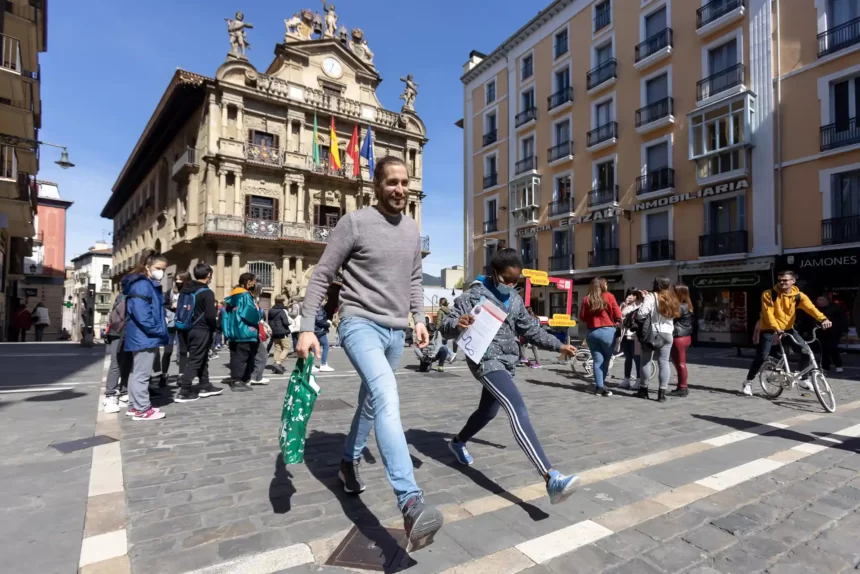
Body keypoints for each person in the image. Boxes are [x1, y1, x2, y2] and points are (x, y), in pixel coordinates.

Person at [296, 156, 441, 551]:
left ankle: (347, 460)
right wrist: (307, 326)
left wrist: (419, 318)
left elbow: (413, 278)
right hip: (359, 323)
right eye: (391, 182)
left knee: (372, 402)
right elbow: (323, 273)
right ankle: (409, 500)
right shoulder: (355, 223)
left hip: (397, 331)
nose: (399, 189)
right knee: (387, 395)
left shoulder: (412, 230)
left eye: (404, 182)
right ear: (376, 185)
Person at [441, 248, 581, 504]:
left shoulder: (515, 299)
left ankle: (458, 441)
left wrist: (558, 345)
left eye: (516, 280)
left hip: (507, 362)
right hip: (484, 359)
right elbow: (445, 325)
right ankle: (551, 477)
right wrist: (456, 323)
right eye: (507, 279)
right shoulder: (472, 296)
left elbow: (532, 330)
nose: (511, 284)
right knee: (517, 409)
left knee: (487, 412)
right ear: (495, 273)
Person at [742, 270, 832, 396]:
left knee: (806, 350)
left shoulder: (799, 296)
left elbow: (811, 309)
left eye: (785, 280)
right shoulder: (769, 294)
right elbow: (768, 314)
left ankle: (804, 378)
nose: (782, 282)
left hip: (788, 328)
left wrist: (823, 319)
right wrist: (777, 329)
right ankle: (748, 381)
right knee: (762, 356)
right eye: (780, 280)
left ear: (793, 281)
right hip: (769, 329)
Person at [121, 251, 169, 421]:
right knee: (142, 374)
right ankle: (142, 409)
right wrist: (157, 330)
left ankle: (135, 406)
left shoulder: (144, 284)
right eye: (158, 268)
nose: (161, 272)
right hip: (145, 335)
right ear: (147, 267)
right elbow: (142, 313)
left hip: (142, 335)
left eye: (163, 269)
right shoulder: (142, 285)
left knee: (137, 373)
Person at [175, 263, 222, 402]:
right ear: (208, 275)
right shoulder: (207, 292)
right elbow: (210, 315)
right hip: (201, 329)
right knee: (196, 359)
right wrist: (215, 328)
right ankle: (184, 390)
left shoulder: (185, 290)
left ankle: (205, 384)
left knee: (201, 357)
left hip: (185, 328)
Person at [636, 277, 680, 403]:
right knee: (664, 362)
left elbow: (641, 313)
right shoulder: (673, 297)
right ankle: (662, 394)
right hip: (668, 333)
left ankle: (643, 390)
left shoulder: (652, 296)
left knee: (646, 361)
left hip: (653, 332)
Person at [579, 277, 621, 397]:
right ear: (602, 286)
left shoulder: (586, 299)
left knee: (597, 361)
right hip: (607, 331)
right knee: (606, 361)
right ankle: (601, 385)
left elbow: (582, 316)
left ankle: (599, 386)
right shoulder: (609, 296)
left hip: (592, 332)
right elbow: (617, 314)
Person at [222, 273, 261, 392]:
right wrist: (259, 313)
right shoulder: (245, 295)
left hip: (233, 331)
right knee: (242, 357)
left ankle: (236, 379)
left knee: (235, 356)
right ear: (249, 281)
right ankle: (238, 381)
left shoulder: (233, 295)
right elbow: (249, 313)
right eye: (254, 281)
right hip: (244, 331)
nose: (254, 284)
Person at [154, 273, 190, 387]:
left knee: (182, 351)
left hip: (183, 323)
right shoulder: (170, 291)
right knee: (168, 351)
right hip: (170, 323)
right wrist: (171, 306)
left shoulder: (188, 293)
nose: (178, 282)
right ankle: (164, 375)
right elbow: (163, 305)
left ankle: (181, 375)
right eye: (177, 279)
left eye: (181, 280)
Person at [102, 294, 133, 414]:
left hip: (125, 333)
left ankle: (124, 391)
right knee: (116, 364)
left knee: (127, 363)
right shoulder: (126, 297)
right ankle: (110, 395)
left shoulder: (126, 296)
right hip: (118, 333)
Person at [670, 284, 694, 398]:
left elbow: (669, 316)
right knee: (679, 363)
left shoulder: (681, 306)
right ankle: (681, 386)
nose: (671, 293)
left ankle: (683, 387)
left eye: (674, 291)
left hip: (679, 337)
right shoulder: (687, 305)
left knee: (680, 363)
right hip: (685, 336)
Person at [814, 295, 847, 373]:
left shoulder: (835, 308)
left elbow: (843, 319)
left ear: (826, 301)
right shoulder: (816, 309)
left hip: (833, 332)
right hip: (820, 332)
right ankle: (825, 366)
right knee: (823, 350)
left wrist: (844, 330)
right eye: (818, 299)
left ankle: (838, 365)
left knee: (832, 348)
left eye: (821, 299)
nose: (819, 301)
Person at [618, 287, 642, 390]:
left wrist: (628, 306)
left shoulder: (639, 305)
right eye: (629, 294)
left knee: (637, 358)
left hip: (635, 336)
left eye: (633, 294)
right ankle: (626, 379)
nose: (631, 296)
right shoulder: (624, 305)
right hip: (625, 335)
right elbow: (619, 316)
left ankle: (639, 380)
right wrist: (625, 304)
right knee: (628, 358)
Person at [268, 295, 291, 374]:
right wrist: (290, 322)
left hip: (275, 332)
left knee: (277, 349)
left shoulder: (271, 310)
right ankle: (278, 363)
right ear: (282, 301)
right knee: (287, 348)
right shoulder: (282, 311)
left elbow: (269, 321)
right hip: (282, 332)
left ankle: (275, 366)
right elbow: (285, 322)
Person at [312, 297, 334, 373]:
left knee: (314, 347)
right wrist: (328, 324)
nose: (326, 302)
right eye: (325, 300)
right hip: (319, 330)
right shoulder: (320, 308)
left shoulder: (315, 307)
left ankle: (310, 365)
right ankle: (323, 364)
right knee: (325, 346)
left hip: (315, 329)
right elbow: (319, 320)